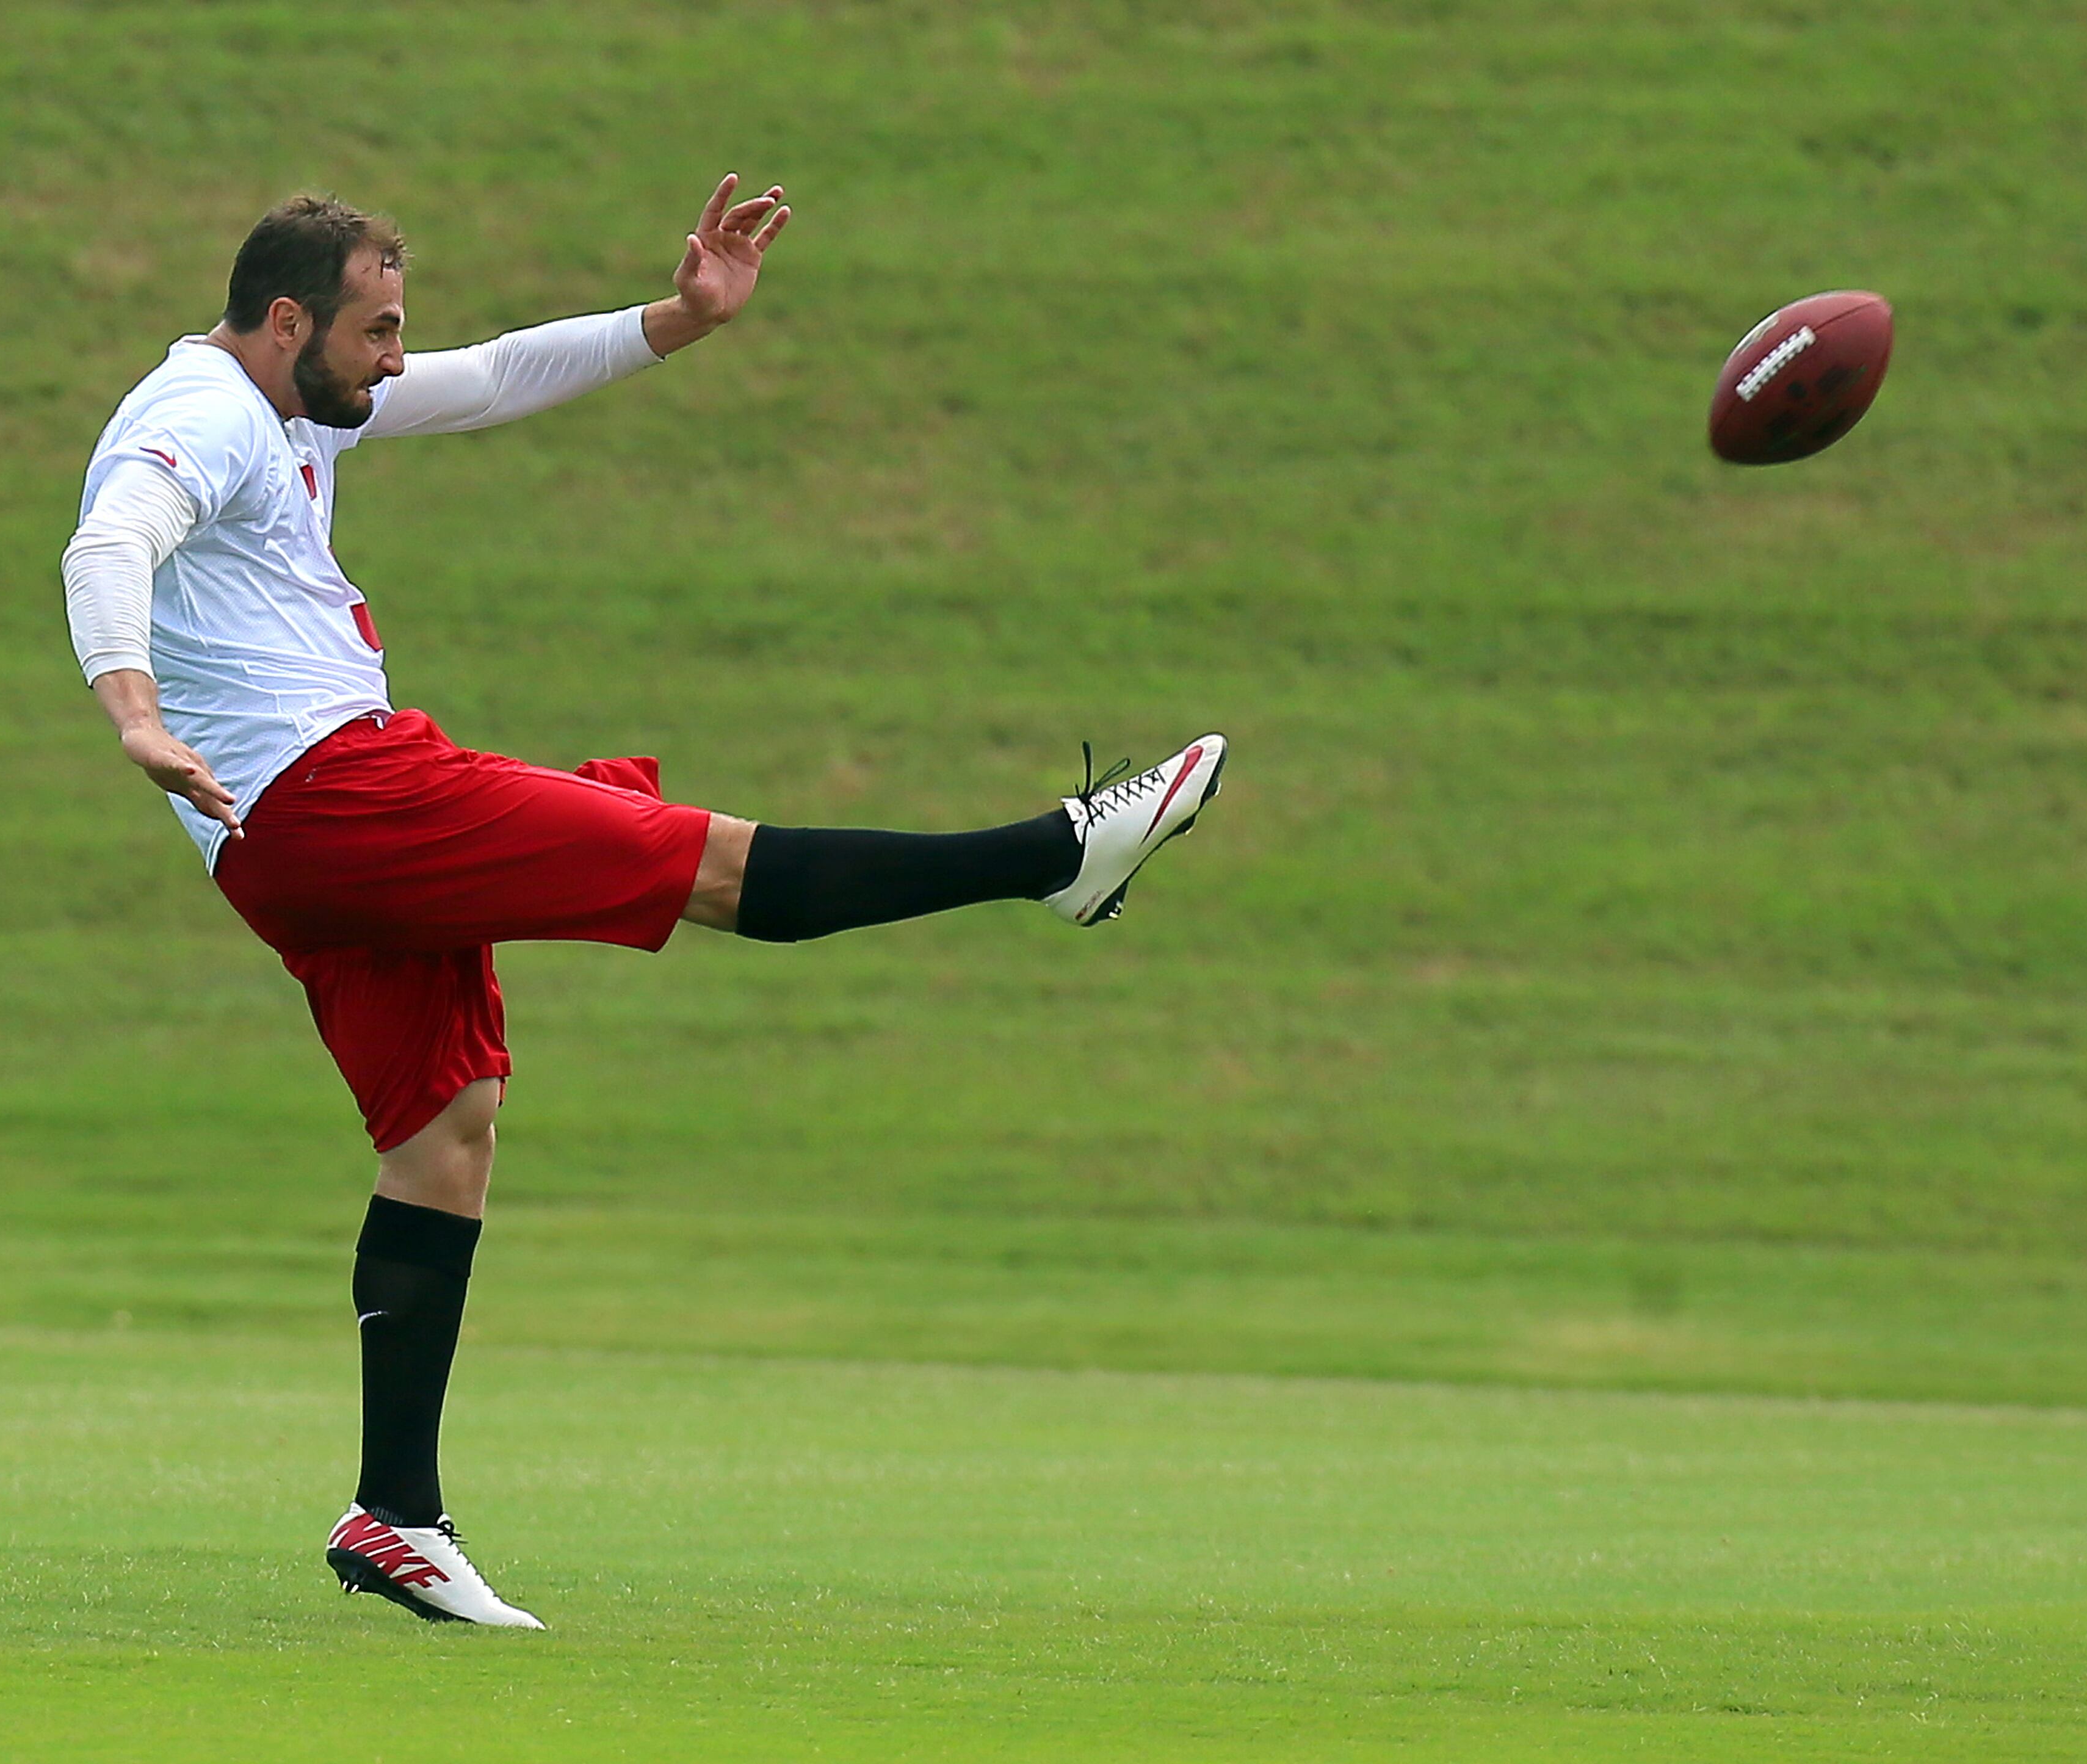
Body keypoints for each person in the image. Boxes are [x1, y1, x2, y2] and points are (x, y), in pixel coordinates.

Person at [60, 177, 1225, 1630]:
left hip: (288, 836)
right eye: (374, 330)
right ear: (288, 317)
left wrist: (678, 319)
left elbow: (487, 381)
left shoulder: (298, 397)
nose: (395, 357)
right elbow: (111, 541)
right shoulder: (210, 411)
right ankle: (1054, 855)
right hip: (331, 796)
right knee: (710, 865)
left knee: (446, 1132)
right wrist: (133, 712)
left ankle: (395, 1516)